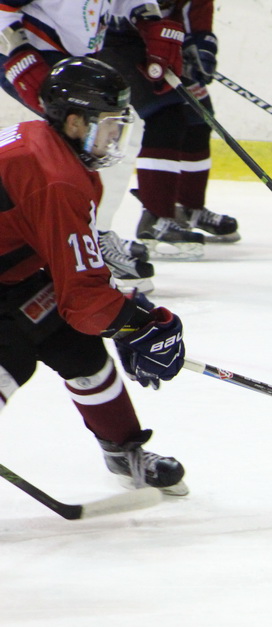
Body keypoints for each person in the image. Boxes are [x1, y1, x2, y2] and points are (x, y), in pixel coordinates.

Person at [0, 57, 187, 495]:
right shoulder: (57, 178)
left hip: (11, 274)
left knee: (75, 346)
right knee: (10, 358)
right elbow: (84, 300)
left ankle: (123, 451)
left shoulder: (46, 146)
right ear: (74, 122)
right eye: (108, 125)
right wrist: (137, 324)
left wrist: (124, 318)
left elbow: (78, 283)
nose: (115, 137)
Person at [0, 1, 185, 279]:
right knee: (94, 132)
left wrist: (149, 20)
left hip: (75, 51)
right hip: (28, 50)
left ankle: (88, 236)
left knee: (109, 130)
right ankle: (88, 241)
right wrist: (17, 52)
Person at [98, 0, 239, 259]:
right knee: (164, 113)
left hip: (163, 38)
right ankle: (156, 216)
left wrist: (200, 45)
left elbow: (195, 9)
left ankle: (190, 209)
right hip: (117, 41)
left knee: (198, 116)